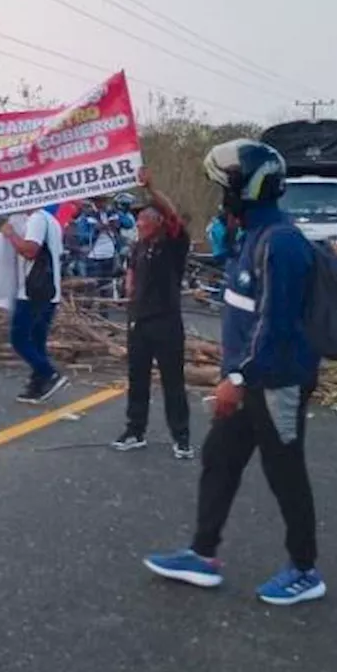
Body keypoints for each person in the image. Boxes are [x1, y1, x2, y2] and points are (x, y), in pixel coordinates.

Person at [146, 140, 326, 607]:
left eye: (225, 187)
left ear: (247, 190)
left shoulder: (281, 243)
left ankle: (305, 570)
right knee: (219, 459)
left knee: (286, 472)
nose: (220, 195)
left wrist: (238, 379)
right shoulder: (252, 235)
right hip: (250, 378)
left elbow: (276, 324)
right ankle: (202, 554)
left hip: (275, 381)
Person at [113, 170, 192, 457]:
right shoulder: (138, 246)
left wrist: (151, 188)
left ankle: (181, 436)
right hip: (139, 322)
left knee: (173, 381)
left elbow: (173, 215)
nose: (139, 222)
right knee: (137, 378)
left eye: (144, 218)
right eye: (138, 218)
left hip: (167, 322)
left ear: (157, 223)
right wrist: (130, 291)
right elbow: (132, 272)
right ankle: (135, 430)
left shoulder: (173, 244)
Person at [2, 207, 69, 404]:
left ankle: (49, 373)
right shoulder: (50, 220)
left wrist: (11, 235)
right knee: (37, 341)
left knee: (19, 338)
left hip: (34, 292)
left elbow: (30, 251)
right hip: (48, 291)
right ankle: (38, 385)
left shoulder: (37, 219)